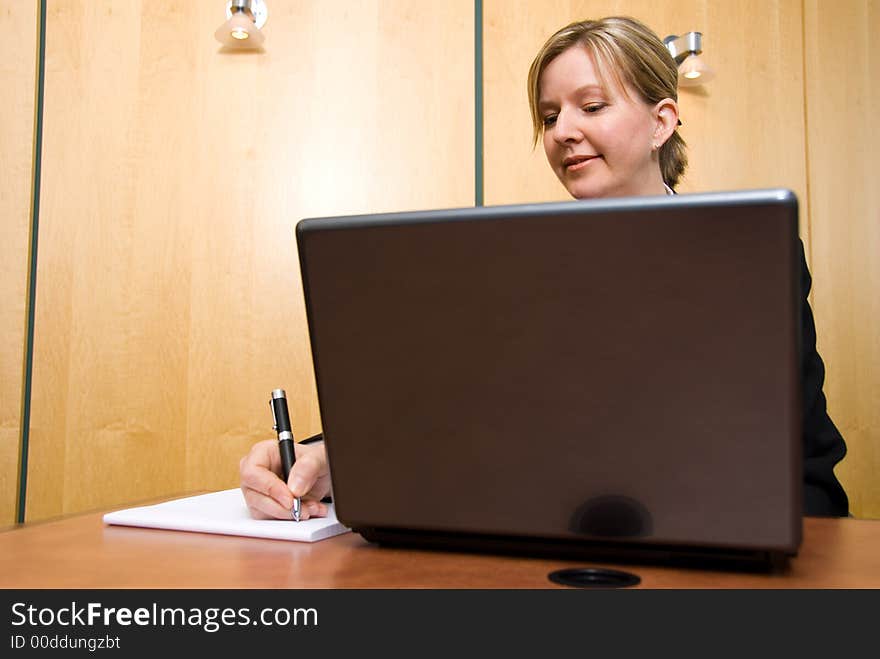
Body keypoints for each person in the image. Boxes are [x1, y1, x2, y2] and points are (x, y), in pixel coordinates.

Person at [239, 16, 849, 520]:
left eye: (592, 105)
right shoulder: (512, 266)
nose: (565, 133)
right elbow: (448, 418)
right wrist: (327, 459)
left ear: (662, 121)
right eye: (551, 116)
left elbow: (806, 469)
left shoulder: (744, 256)